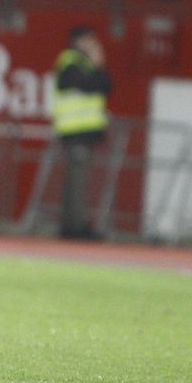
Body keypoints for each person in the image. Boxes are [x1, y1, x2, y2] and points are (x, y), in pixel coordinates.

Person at [51, 26, 111, 240]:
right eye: (89, 40)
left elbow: (106, 85)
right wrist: (96, 64)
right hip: (76, 130)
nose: (93, 44)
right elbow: (91, 85)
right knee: (76, 183)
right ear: (78, 41)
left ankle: (73, 225)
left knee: (78, 182)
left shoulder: (82, 63)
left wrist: (97, 66)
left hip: (83, 131)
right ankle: (76, 227)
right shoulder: (70, 62)